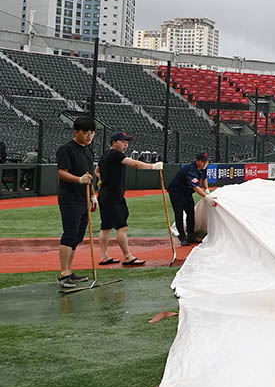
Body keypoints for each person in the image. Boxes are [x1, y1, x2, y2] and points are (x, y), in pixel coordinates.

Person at [97, 131, 163, 267]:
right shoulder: (116, 154)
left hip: (105, 194)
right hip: (114, 196)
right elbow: (135, 164)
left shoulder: (105, 155)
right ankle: (127, 256)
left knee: (106, 227)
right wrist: (153, 167)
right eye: (123, 142)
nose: (125, 145)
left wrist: (103, 180)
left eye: (127, 142)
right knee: (122, 227)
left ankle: (104, 256)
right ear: (114, 142)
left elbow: (97, 170)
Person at [55, 117, 98, 289]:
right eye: (85, 133)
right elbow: (61, 173)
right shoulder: (66, 149)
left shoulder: (88, 151)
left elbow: (89, 176)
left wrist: (93, 195)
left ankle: (70, 271)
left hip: (84, 199)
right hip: (70, 199)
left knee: (78, 236)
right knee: (70, 234)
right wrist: (79, 180)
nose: (89, 136)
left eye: (92, 133)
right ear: (76, 132)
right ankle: (64, 274)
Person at [168, 152, 211, 246]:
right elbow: (195, 187)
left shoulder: (203, 167)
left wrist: (207, 189)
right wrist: (206, 196)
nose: (205, 164)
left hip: (187, 192)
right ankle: (182, 237)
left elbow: (204, 178)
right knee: (179, 213)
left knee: (191, 213)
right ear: (197, 161)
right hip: (177, 192)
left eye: (206, 161)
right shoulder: (191, 169)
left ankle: (191, 235)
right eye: (203, 161)